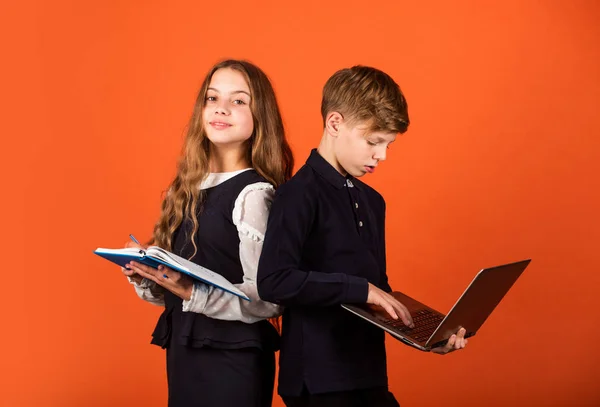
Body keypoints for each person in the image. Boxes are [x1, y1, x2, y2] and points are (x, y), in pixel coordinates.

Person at [257, 65, 467, 407]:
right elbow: (274, 280)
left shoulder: (372, 202)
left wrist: (425, 336)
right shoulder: (298, 195)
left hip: (368, 373)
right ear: (335, 123)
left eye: (388, 145)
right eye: (373, 142)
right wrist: (361, 288)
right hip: (318, 380)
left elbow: (378, 293)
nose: (381, 155)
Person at [122, 59, 294, 407]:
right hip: (184, 354)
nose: (221, 109)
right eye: (212, 98)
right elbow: (180, 294)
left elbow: (270, 298)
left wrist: (190, 291)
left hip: (234, 361)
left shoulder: (255, 194)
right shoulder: (184, 188)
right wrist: (149, 275)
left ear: (260, 115)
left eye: (239, 101)